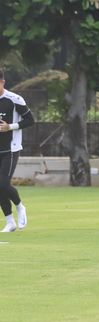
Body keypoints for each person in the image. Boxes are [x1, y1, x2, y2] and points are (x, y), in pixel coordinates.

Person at [0, 69, 34, 233]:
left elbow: (30, 120)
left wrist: (10, 127)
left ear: (2, 82)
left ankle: (20, 207)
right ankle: (9, 222)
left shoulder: (14, 99)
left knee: (2, 184)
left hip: (10, 149)